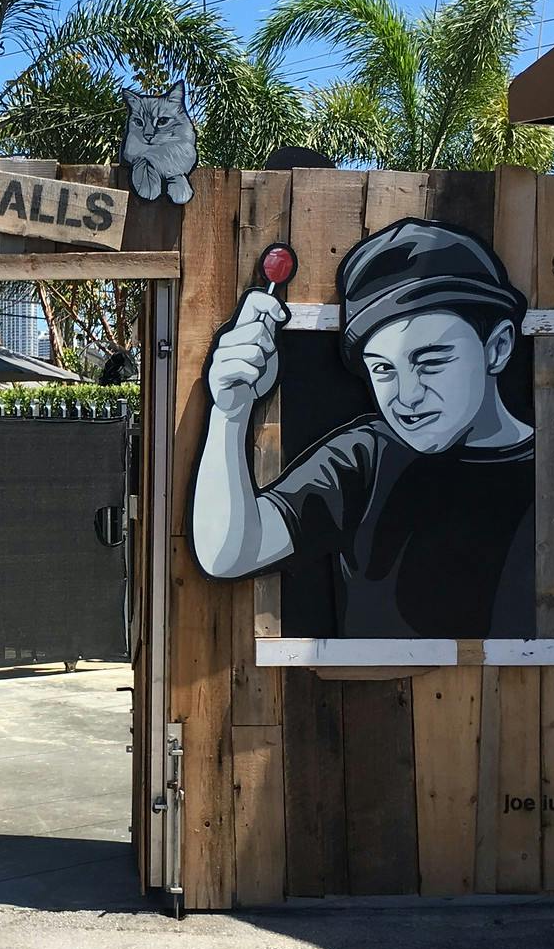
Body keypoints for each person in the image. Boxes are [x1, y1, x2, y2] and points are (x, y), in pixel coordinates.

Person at [190, 218, 535, 638]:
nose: (407, 396)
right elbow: (228, 554)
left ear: (497, 347)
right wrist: (231, 411)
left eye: (430, 362)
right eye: (384, 369)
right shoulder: (366, 456)